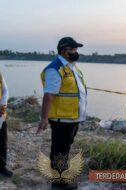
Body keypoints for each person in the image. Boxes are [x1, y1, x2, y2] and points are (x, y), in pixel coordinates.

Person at [37, 37, 87, 189]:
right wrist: (44, 117)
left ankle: (61, 178)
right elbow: (49, 95)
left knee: (65, 148)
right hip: (61, 118)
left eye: (76, 49)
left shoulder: (73, 68)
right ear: (64, 50)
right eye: (73, 49)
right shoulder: (55, 68)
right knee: (60, 149)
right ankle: (58, 183)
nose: (75, 52)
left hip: (72, 117)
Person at [0, 72, 13, 177]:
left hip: (1, 115)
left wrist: (3, 104)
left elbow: (5, 90)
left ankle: (1, 167)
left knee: (2, 141)